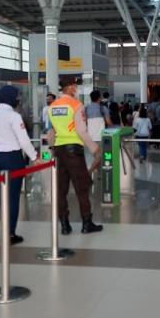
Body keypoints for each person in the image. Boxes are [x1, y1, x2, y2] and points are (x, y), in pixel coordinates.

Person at [47, 76, 104, 235]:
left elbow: (51, 132)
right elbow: (81, 130)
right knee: (82, 187)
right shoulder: (76, 105)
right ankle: (87, 223)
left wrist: (53, 148)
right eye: (75, 86)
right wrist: (94, 148)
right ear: (70, 87)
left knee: (61, 189)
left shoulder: (53, 106)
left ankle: (65, 225)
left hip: (59, 150)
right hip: (74, 150)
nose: (77, 89)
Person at [0, 85, 37, 246]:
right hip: (13, 159)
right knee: (13, 198)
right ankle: (10, 234)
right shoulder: (14, 116)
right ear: (11, 99)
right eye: (17, 98)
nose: (18, 100)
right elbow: (24, 140)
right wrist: (34, 157)